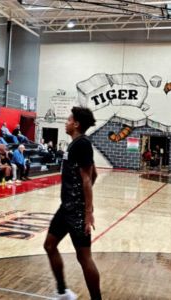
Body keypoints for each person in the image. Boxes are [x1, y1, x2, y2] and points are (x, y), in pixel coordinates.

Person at [43, 107, 101, 300]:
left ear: (76, 124)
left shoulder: (82, 143)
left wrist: (87, 211)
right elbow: (95, 174)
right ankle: (62, 291)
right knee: (50, 246)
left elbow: (87, 179)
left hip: (76, 211)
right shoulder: (74, 144)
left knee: (84, 258)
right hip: (65, 207)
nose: (66, 122)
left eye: (68, 119)